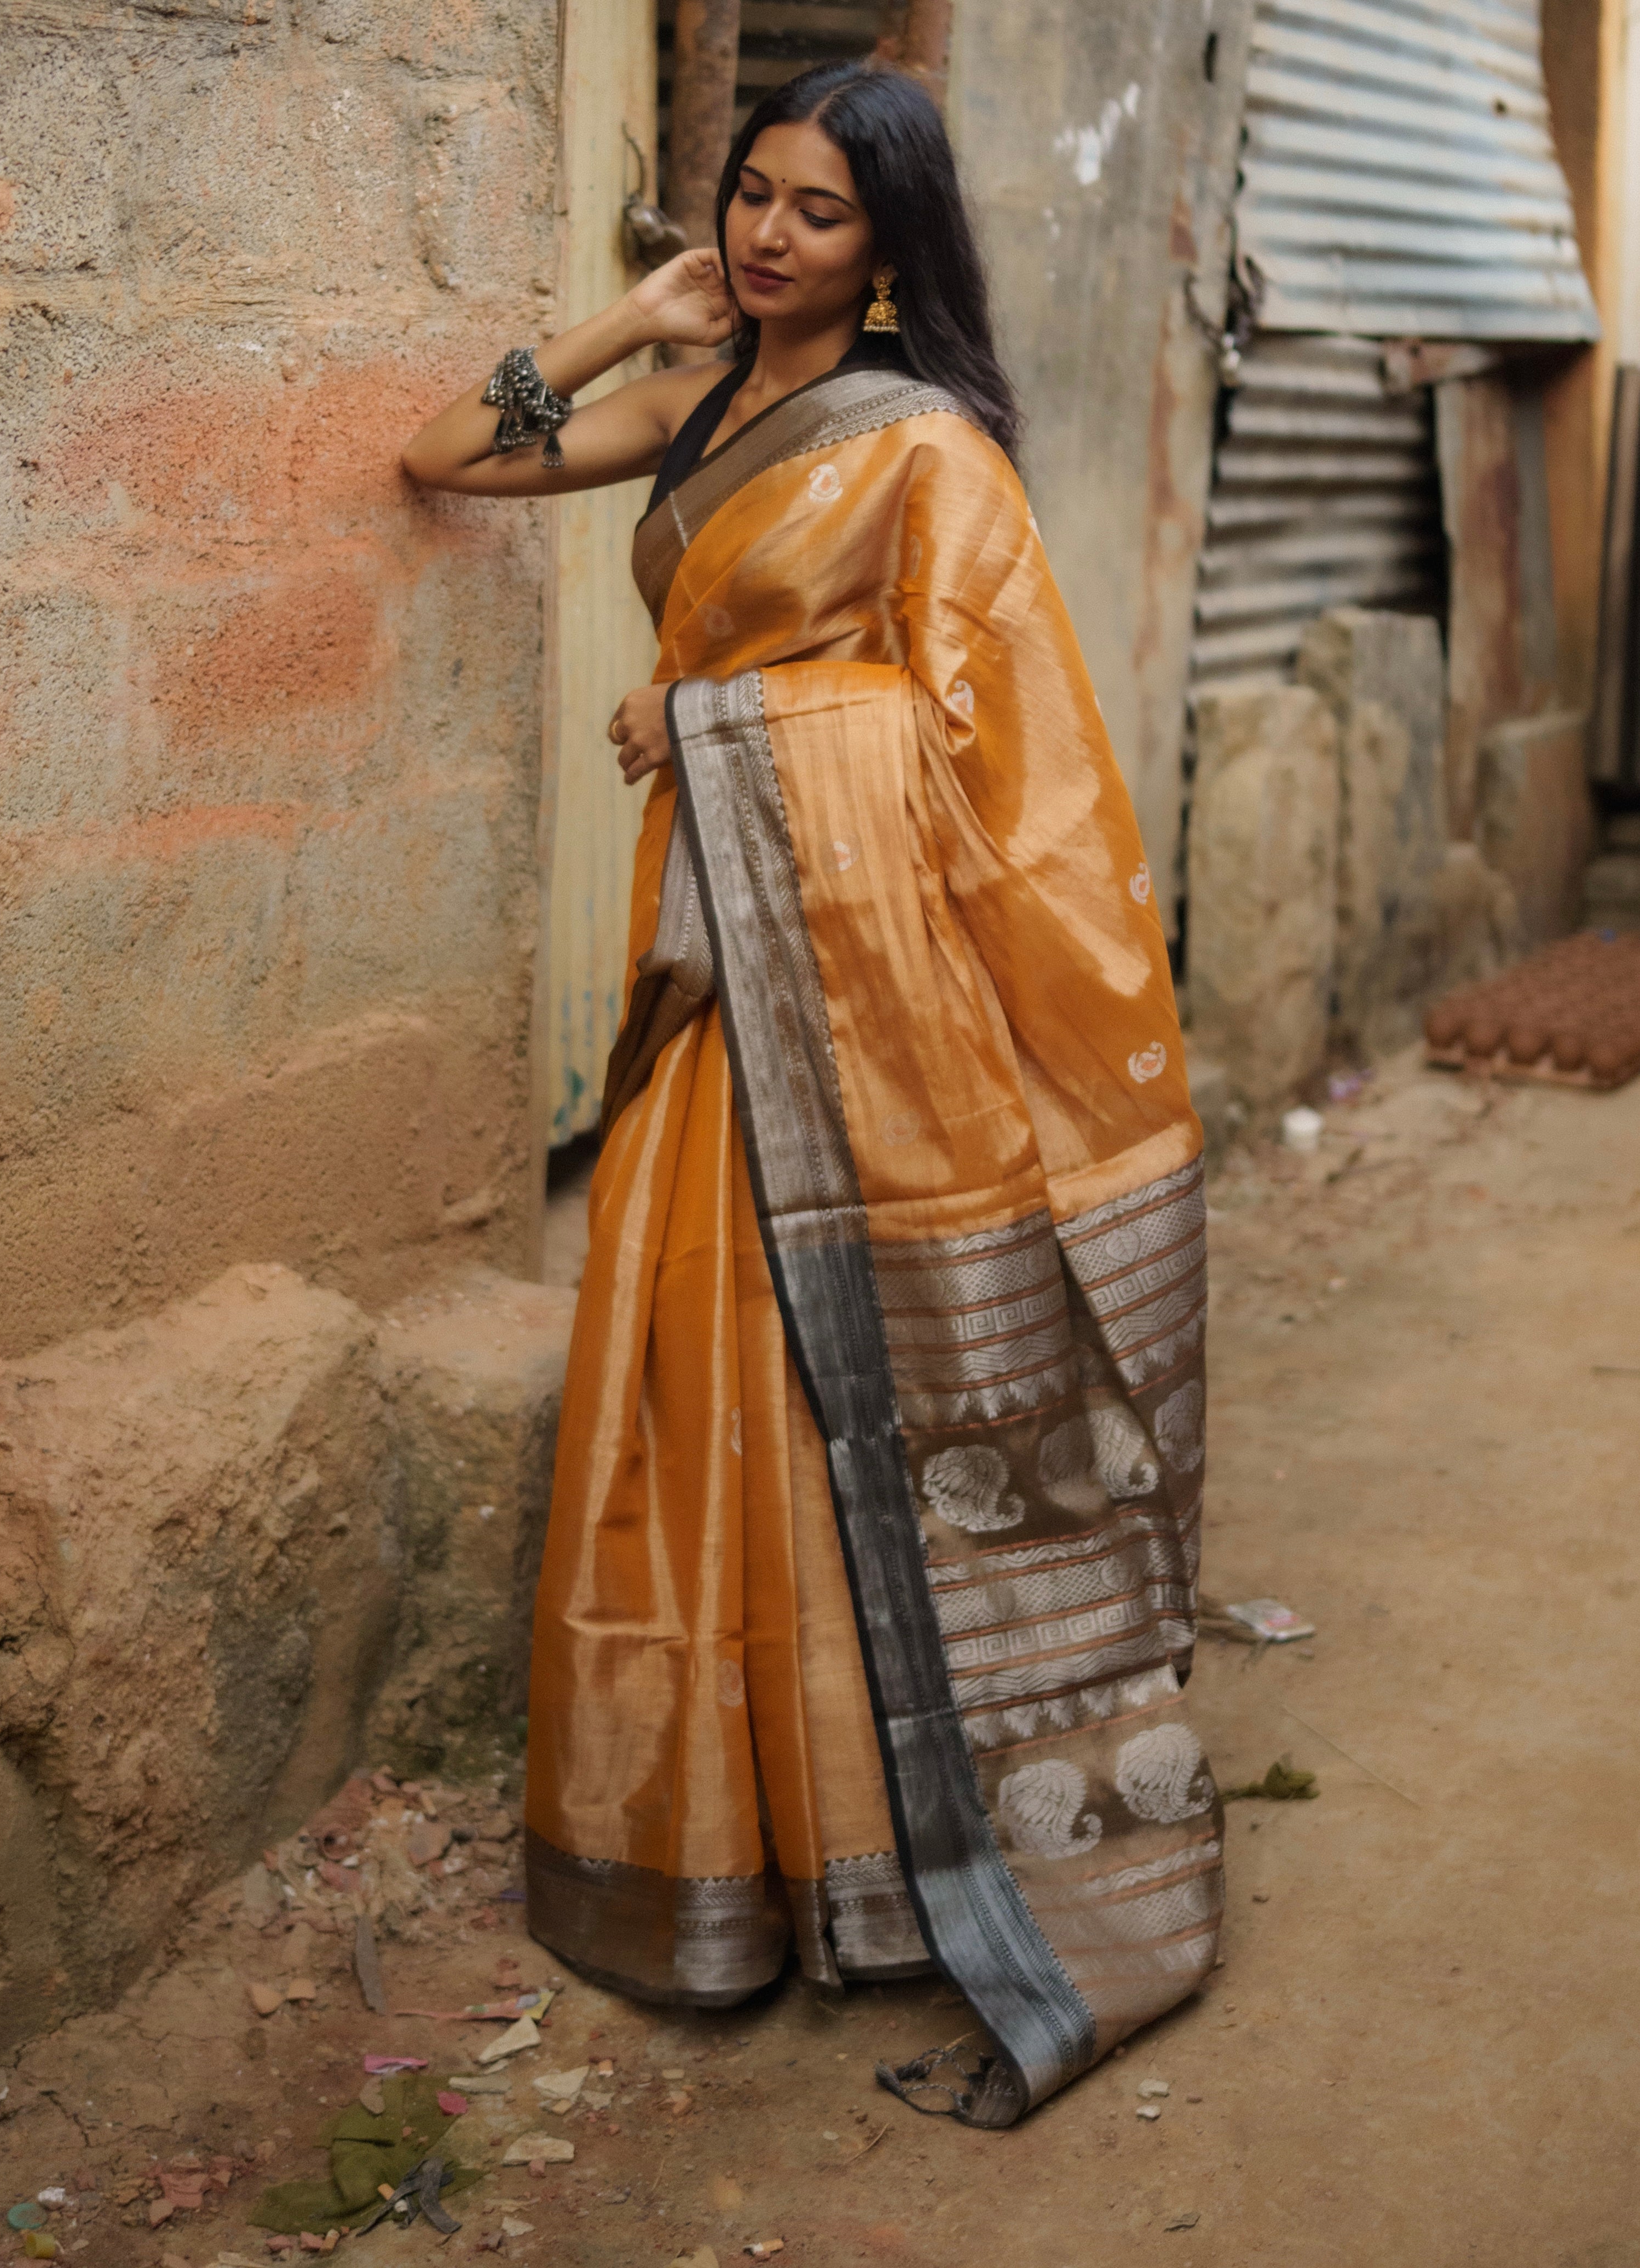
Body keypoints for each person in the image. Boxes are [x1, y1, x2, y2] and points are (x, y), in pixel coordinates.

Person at [402, 60, 1221, 2130]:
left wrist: (713, 716)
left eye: (818, 214)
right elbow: (442, 462)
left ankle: (883, 1870)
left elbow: (985, 753)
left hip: (857, 1027)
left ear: (890, 248)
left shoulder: (925, 451)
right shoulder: (698, 411)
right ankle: (720, 1853)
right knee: (696, 1425)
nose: (772, 237)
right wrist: (620, 322)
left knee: (830, 1417)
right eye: (751, 197)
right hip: (717, 994)